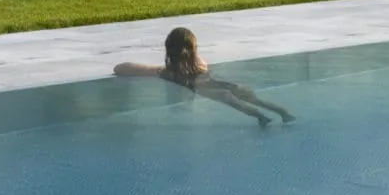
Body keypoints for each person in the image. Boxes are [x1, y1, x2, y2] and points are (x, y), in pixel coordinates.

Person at [113, 26, 295, 126]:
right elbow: (203, 69)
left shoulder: (168, 72)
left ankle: (262, 118)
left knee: (237, 103)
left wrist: (161, 70)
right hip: (221, 84)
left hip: (208, 90)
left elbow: (119, 68)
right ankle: (283, 113)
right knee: (253, 99)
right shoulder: (199, 63)